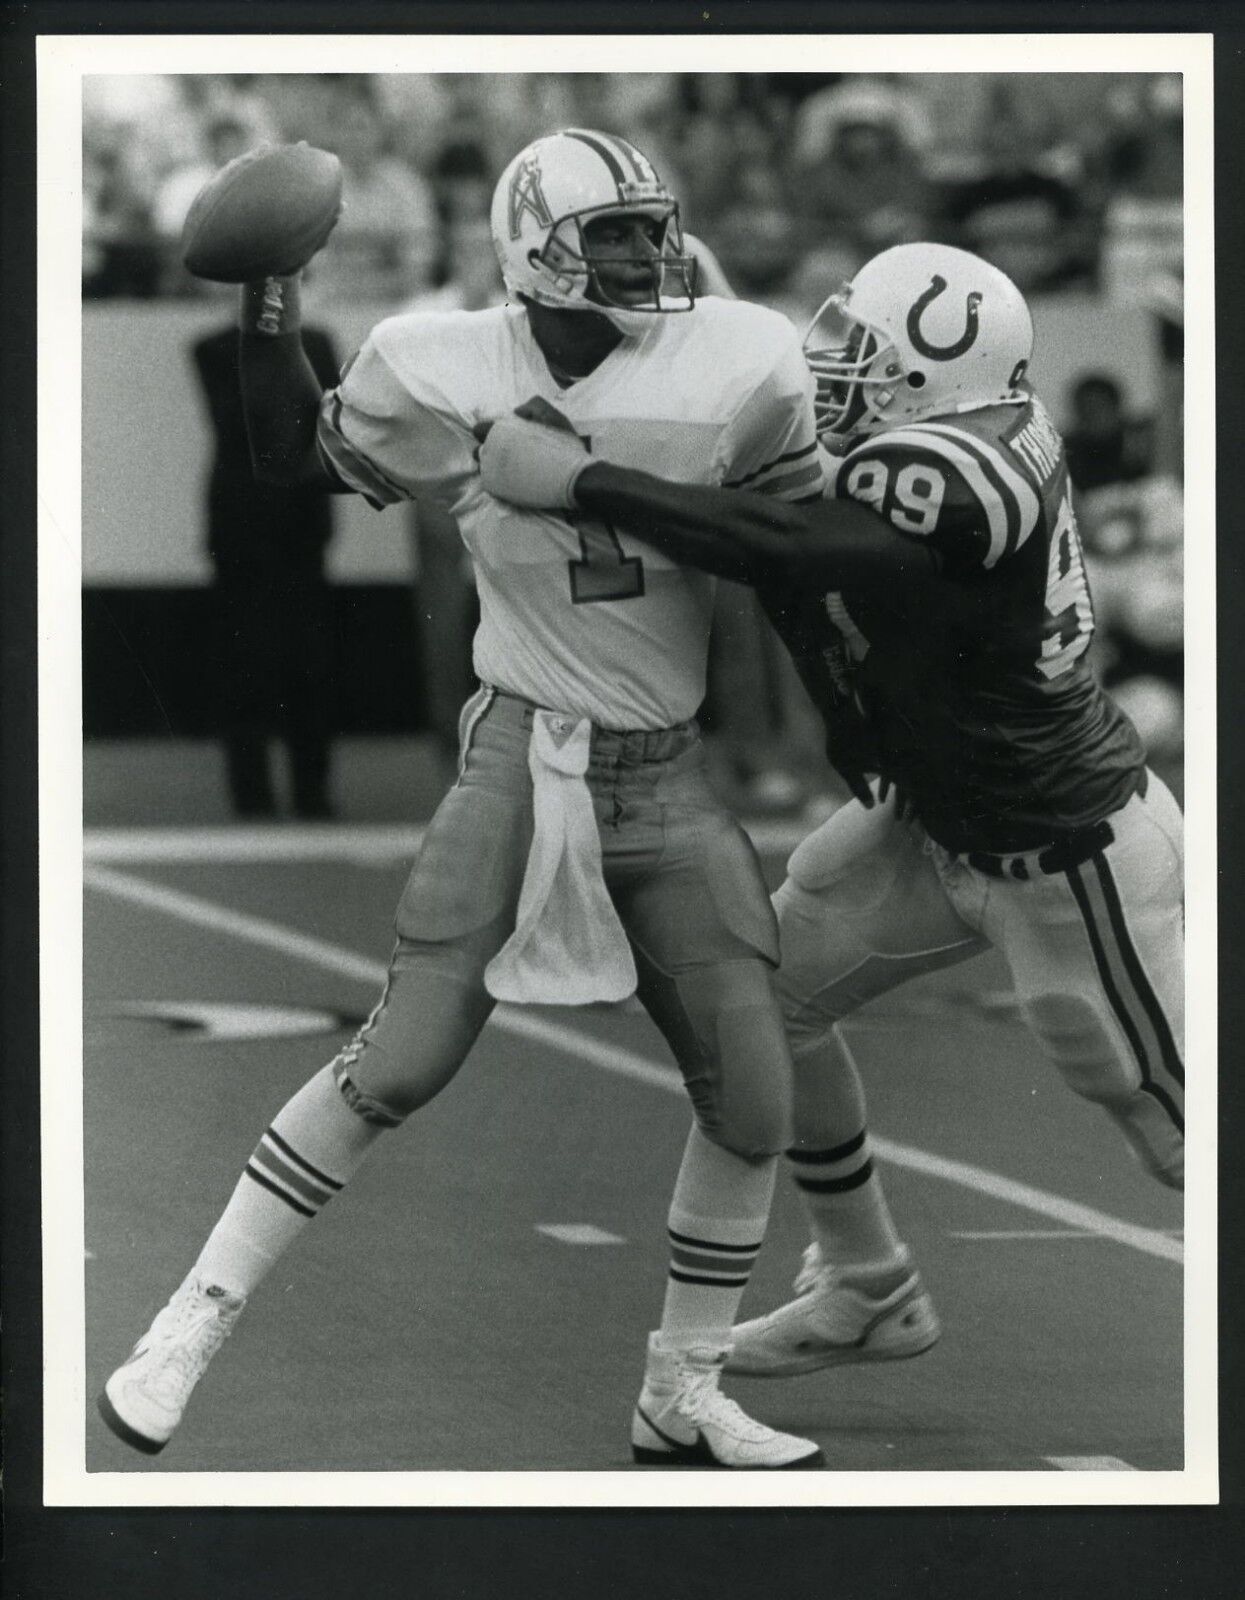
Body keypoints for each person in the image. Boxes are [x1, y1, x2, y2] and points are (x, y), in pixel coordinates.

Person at [98, 129, 829, 1469]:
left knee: (754, 1095)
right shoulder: (435, 364)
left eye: (651, 229)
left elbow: (801, 542)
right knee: (406, 1054)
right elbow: (284, 454)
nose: (646, 256)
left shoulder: (740, 357)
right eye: (612, 234)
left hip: (662, 769)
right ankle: (187, 1322)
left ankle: (682, 1388)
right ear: (534, 246)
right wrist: (272, 295)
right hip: (522, 751)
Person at [476, 240, 1184, 1378]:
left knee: (1175, 1131)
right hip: (935, 823)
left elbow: (795, 544)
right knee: (764, 1007)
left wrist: (585, 480)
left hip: (1068, 853)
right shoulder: (930, 435)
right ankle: (867, 1286)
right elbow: (797, 506)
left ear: (931, 373)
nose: (830, 366)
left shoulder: (973, 468)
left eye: (860, 349)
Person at [191, 319, 341, 818]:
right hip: (244, 524)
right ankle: (251, 791)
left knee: (310, 661)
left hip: (297, 520)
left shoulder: (315, 343)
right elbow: (246, 422)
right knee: (244, 662)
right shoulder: (215, 348)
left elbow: (322, 424)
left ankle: (310, 787)